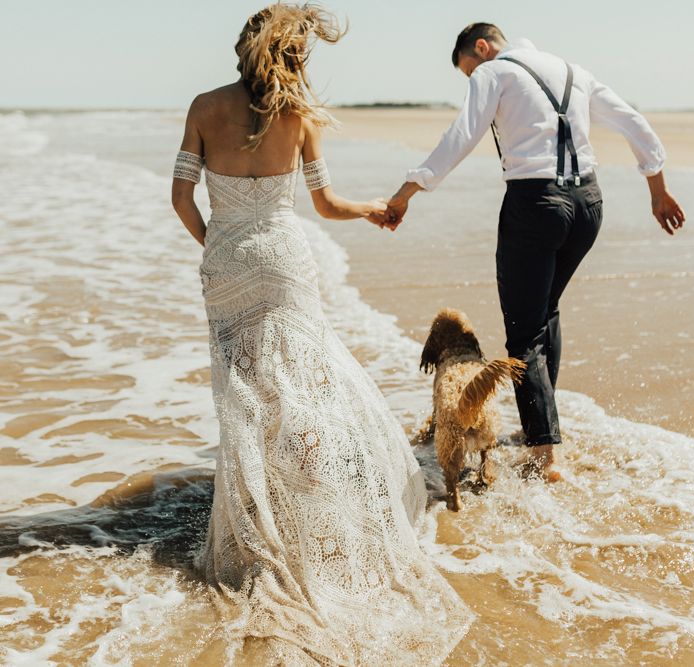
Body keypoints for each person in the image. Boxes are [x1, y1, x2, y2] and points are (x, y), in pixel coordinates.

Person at [171, 4, 473, 664]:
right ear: (291, 55)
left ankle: (260, 527)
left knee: (244, 397)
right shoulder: (300, 116)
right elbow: (326, 205)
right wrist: (375, 209)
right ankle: (318, 520)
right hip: (284, 262)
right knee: (305, 390)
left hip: (226, 266)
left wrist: (218, 246)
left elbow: (181, 199)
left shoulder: (202, 106)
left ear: (242, 48)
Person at [385, 23, 685, 482]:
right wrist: (658, 192)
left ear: (481, 49)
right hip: (589, 205)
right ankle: (542, 428)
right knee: (545, 314)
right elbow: (632, 121)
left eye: (469, 71)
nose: (472, 80)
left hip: (535, 206)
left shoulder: (493, 73)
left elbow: (459, 137)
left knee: (524, 332)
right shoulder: (572, 71)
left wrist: (407, 191)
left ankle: (545, 456)